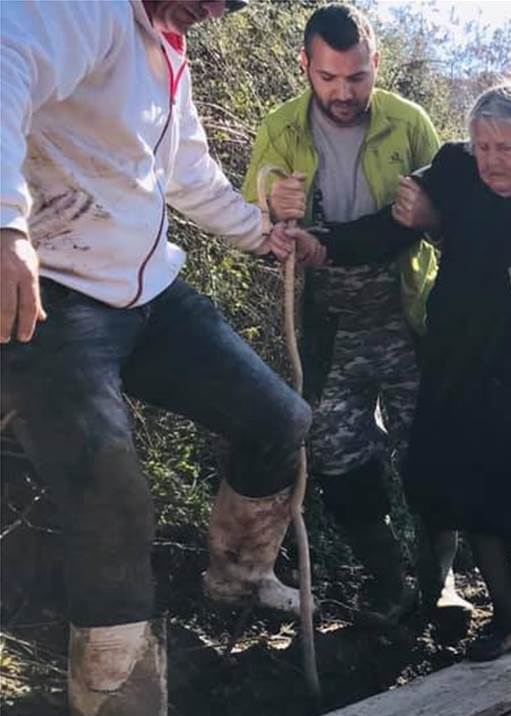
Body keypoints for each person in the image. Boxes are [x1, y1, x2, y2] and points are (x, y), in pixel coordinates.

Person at [0, 1, 322, 713]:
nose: (212, 9)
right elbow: (4, 59)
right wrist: (4, 223)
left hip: (147, 293)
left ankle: (234, 580)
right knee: (111, 497)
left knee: (279, 418)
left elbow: (185, 171)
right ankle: (111, 692)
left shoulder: (167, 48)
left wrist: (258, 234)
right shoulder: (85, 11)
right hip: (55, 294)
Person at [289, 79, 511, 660]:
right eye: (482, 145)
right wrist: (324, 244)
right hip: (465, 358)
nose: (490, 160)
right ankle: (506, 618)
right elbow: (391, 227)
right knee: (467, 481)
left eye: (506, 147)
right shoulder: (454, 168)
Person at [242, 2, 470, 628]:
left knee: (431, 451)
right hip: (326, 326)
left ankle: (440, 582)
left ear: (377, 65)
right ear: (305, 68)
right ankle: (389, 584)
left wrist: (431, 218)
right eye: (329, 79)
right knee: (340, 459)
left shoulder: (408, 123)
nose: (344, 93)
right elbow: (245, 221)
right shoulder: (281, 128)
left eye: (358, 78)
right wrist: (269, 206)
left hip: (404, 315)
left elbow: (453, 216)